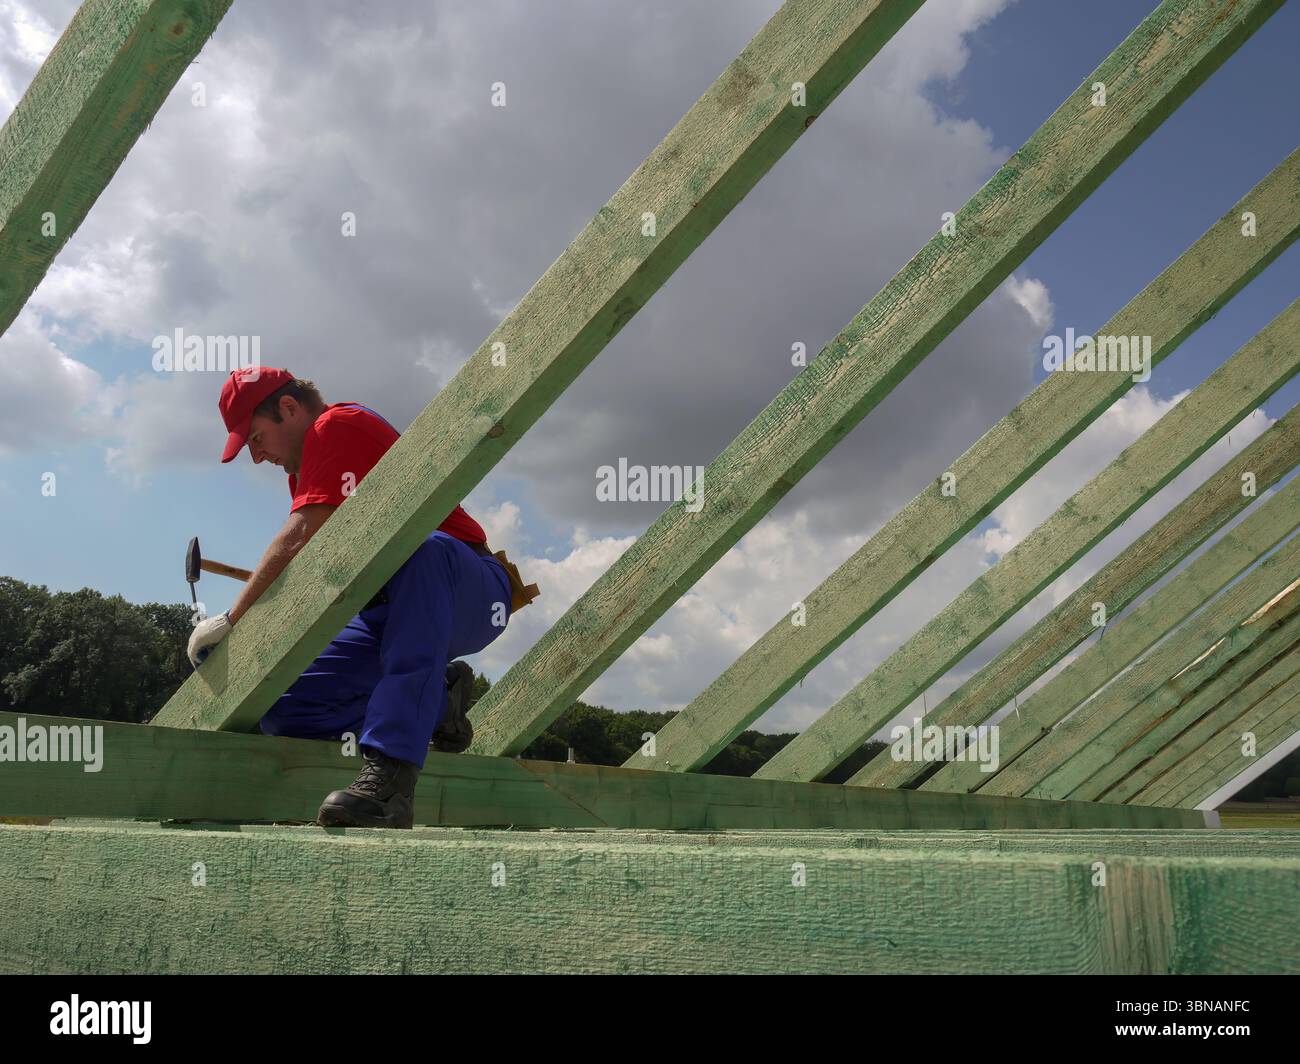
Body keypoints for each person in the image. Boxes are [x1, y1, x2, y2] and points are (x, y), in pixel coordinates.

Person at [186, 366, 514, 828]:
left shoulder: (336, 425)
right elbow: (308, 575)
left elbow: (299, 536)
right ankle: (440, 700)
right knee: (283, 706)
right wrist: (250, 659)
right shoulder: (303, 474)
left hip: (468, 587)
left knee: (422, 549)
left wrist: (232, 622)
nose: (257, 457)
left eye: (256, 439)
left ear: (288, 407)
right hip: (390, 613)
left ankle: (389, 781)